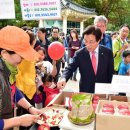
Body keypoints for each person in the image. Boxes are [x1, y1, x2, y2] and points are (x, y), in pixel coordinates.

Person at [0, 26, 42, 130]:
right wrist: (19, 120)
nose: (23, 59)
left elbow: (13, 90)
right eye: (21, 56)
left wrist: (30, 108)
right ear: (4, 54)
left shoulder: (9, 70)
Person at [57, 25, 114, 93]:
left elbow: (110, 73)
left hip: (102, 91)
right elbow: (70, 68)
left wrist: (111, 89)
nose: (88, 45)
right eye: (85, 41)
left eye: (91, 42)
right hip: (85, 91)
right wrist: (63, 78)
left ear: (98, 40)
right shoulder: (80, 54)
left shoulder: (107, 52)